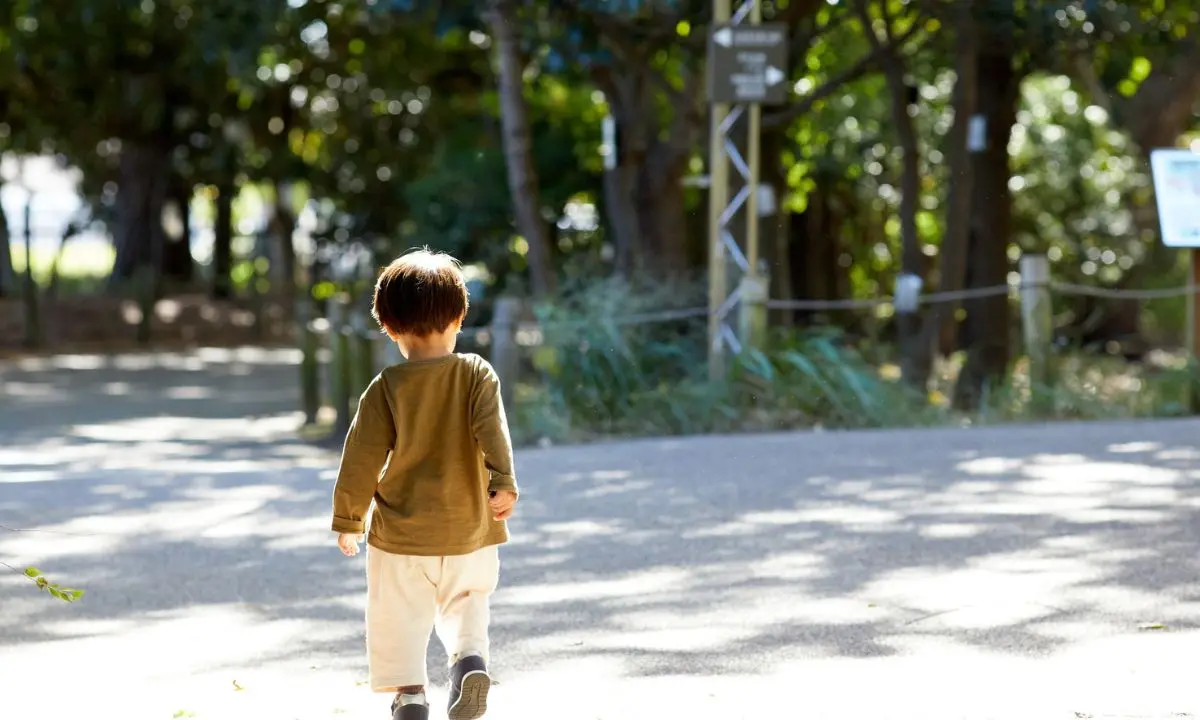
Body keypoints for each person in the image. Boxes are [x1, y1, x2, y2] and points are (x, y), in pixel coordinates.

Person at [330, 248, 519, 720]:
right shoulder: (477, 373)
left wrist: (349, 519)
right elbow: (491, 430)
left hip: (401, 537)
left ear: (389, 328)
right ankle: (470, 661)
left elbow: (360, 459)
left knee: (398, 616)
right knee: (469, 600)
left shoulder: (386, 387)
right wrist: (503, 481)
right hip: (469, 526)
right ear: (459, 317)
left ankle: (410, 695)